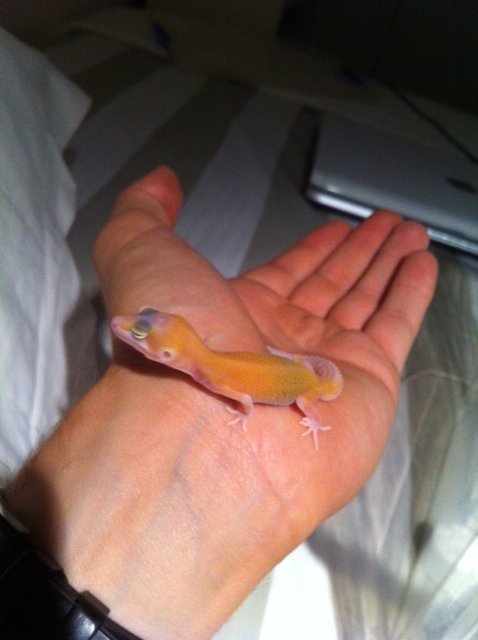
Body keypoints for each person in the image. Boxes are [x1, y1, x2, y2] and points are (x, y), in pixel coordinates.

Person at [2, 166, 438, 639]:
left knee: (307, 402)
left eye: (145, 335)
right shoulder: (203, 357)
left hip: (304, 385)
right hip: (295, 367)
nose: (124, 327)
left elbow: (245, 401)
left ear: (172, 353)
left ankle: (309, 407)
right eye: (143, 328)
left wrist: (258, 414)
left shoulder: (211, 373)